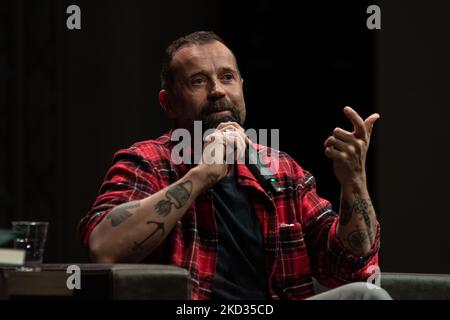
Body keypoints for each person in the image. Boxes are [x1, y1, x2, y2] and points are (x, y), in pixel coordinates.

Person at [78, 31, 391, 300]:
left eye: (227, 77)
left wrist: (354, 181)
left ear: (241, 87)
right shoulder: (148, 161)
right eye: (198, 81)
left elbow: (349, 268)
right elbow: (105, 247)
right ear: (168, 103)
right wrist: (203, 174)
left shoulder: (282, 171)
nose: (217, 90)